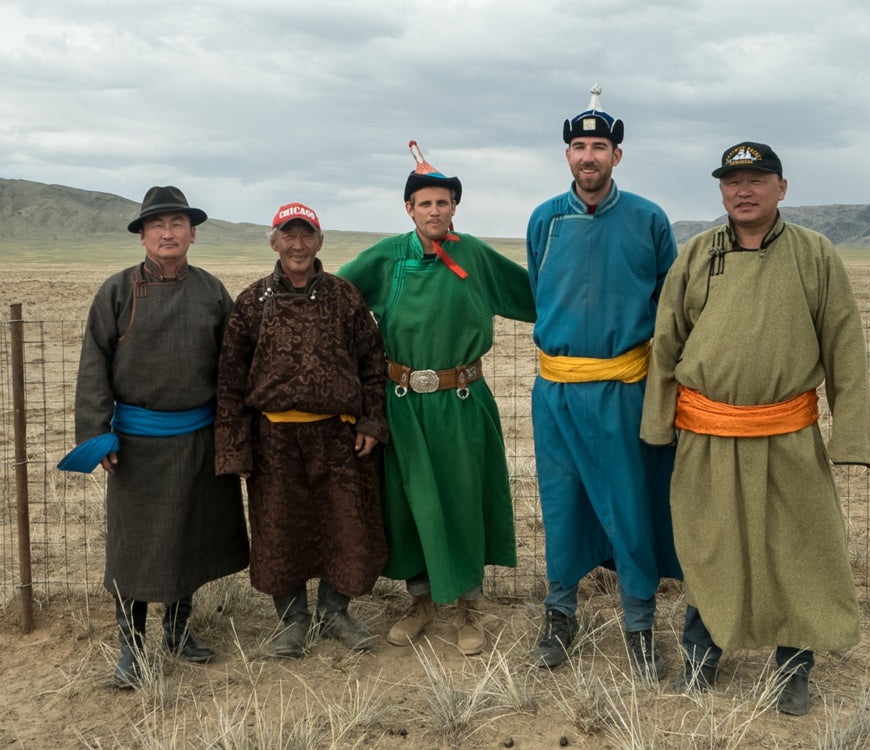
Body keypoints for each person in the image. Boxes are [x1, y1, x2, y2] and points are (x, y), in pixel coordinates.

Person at [640, 142, 870, 715]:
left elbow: (845, 346)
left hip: (787, 434)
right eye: (732, 181)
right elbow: (666, 345)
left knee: (796, 547)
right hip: (709, 435)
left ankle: (794, 669)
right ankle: (701, 656)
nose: (744, 190)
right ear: (721, 190)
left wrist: (852, 440)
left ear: (781, 188)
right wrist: (657, 427)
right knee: (712, 544)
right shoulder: (694, 256)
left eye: (757, 179)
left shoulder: (815, 254)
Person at [337, 141, 536, 656]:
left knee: (463, 499)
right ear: (409, 209)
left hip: (463, 401)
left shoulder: (475, 255)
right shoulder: (386, 257)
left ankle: (468, 606)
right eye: (424, 203)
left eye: (442, 202)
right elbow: (335, 301)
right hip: (402, 401)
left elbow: (538, 296)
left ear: (454, 208)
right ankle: (421, 601)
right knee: (409, 505)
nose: (434, 210)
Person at [61, 186, 249, 688]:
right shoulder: (117, 291)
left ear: (192, 233)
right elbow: (93, 366)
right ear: (143, 235)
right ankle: (131, 646)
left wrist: (233, 434)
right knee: (134, 547)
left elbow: (233, 369)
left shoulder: (211, 290)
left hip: (198, 438)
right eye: (158, 225)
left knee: (190, 536)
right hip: (136, 444)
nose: (168, 233)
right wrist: (98, 435)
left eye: (177, 224)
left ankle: (178, 632)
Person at [526, 86, 682, 676]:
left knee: (630, 503)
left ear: (618, 154)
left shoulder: (647, 219)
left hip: (626, 390)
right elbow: (541, 291)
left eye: (599, 146)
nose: (587, 156)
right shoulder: (546, 219)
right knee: (561, 503)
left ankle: (640, 626)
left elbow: (668, 303)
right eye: (578, 146)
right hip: (558, 391)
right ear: (567, 155)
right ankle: (559, 616)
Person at [215, 203, 389, 656]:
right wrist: (235, 450)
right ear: (273, 241)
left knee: (345, 523)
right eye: (288, 236)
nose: (297, 245)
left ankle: (335, 613)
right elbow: (231, 381)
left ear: (319, 241)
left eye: (305, 235)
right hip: (273, 439)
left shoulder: (345, 297)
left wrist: (372, 420)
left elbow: (373, 363)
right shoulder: (251, 303)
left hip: (340, 436)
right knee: (279, 530)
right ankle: (292, 622)